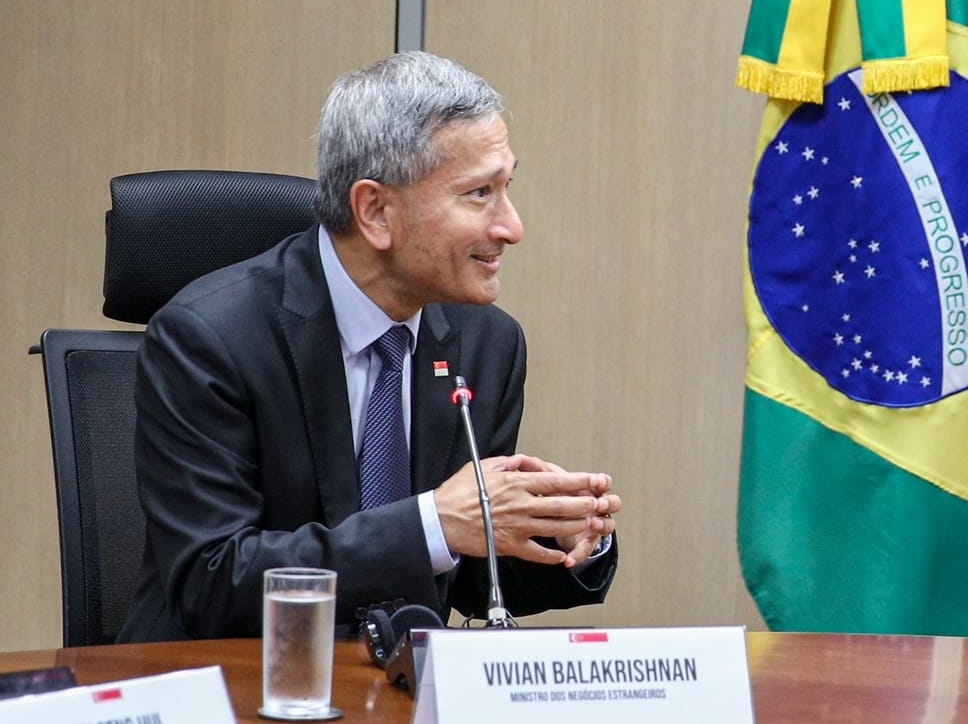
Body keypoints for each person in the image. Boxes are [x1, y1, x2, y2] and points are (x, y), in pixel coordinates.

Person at [119, 52, 621, 641]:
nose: (511, 226)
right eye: (480, 194)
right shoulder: (208, 339)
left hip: (399, 698)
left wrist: (558, 535)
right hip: (229, 696)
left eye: (507, 187)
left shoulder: (486, 342)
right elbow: (213, 583)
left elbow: (463, 571)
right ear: (376, 211)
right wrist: (432, 524)